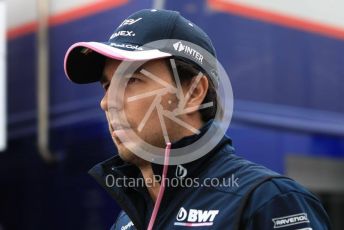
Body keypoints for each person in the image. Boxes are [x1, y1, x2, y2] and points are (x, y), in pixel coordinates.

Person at [64, 9, 331, 230]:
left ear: (194, 93)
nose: (107, 102)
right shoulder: (126, 221)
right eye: (107, 86)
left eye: (132, 80)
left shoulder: (268, 202)